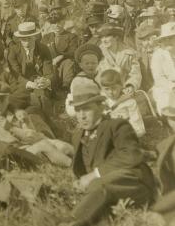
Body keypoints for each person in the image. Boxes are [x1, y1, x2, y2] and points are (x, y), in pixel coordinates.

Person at [60, 80, 155, 226]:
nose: (82, 116)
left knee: (100, 186)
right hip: (101, 192)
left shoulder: (116, 126)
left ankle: (72, 222)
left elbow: (131, 154)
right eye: (78, 110)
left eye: (86, 109)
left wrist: (94, 174)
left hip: (134, 185)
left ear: (100, 106)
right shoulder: (78, 135)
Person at [0, 81, 73, 167]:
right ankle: (73, 167)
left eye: (2, 101)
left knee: (63, 146)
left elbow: (32, 134)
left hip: (34, 143)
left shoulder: (16, 114)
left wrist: (25, 122)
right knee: (45, 145)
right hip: (20, 154)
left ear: (7, 99)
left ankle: (82, 164)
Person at [98, 69, 146, 138]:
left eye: (114, 88)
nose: (110, 92)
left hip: (126, 135)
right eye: (107, 89)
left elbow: (137, 125)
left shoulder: (129, 102)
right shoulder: (103, 102)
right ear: (102, 89)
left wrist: (129, 135)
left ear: (121, 86)